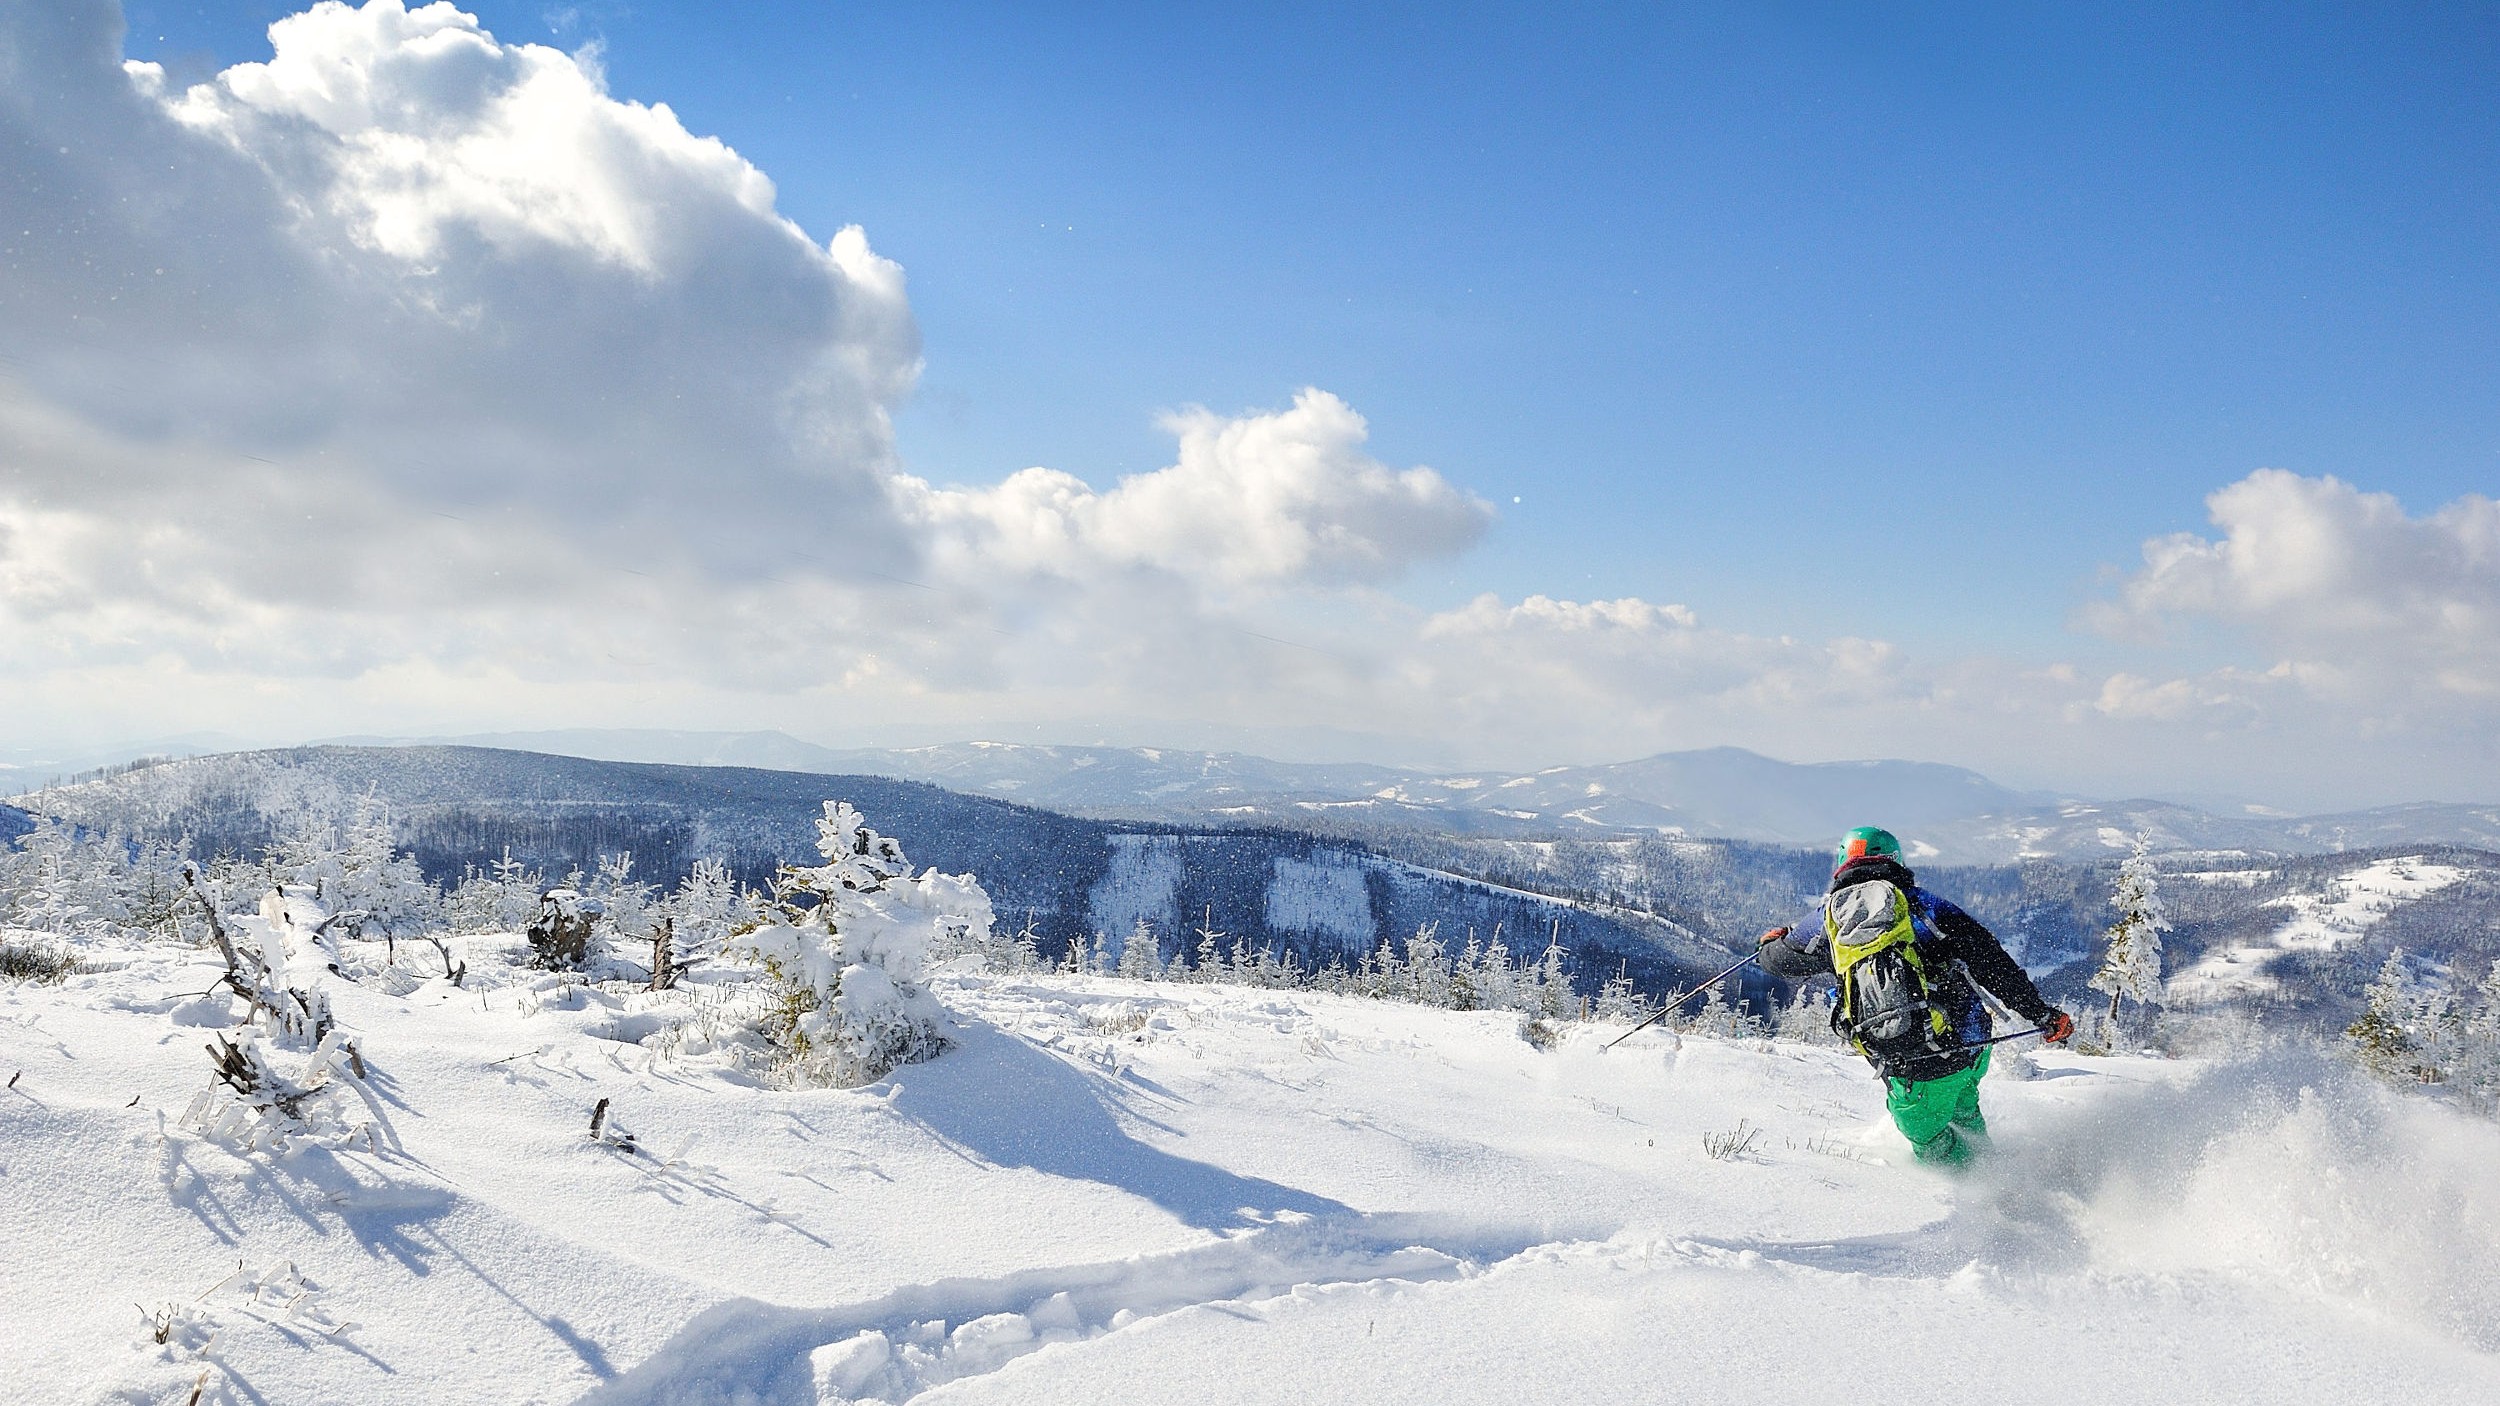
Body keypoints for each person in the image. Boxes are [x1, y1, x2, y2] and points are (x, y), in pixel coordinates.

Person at [1755, 825, 2074, 1167]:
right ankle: (1994, 1169)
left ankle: (1984, 1201)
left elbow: (1780, 961)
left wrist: (1768, 945)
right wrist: (2041, 1014)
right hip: (1971, 1045)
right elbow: (1993, 963)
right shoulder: (1927, 907)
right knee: (1963, 1109)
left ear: (1841, 863)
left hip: (1915, 1065)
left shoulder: (1827, 920)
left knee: (1931, 1142)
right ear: (1896, 860)